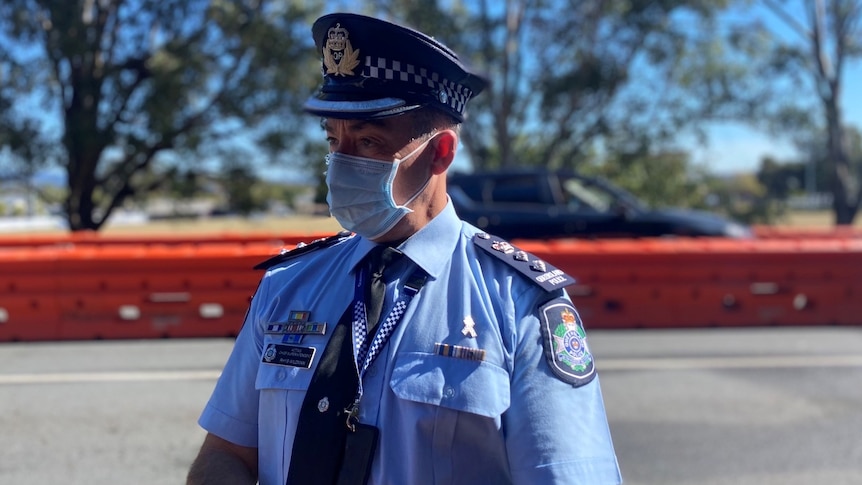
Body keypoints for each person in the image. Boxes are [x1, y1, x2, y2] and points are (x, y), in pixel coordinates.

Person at [187, 12, 621, 485]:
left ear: (440, 153)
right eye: (334, 140)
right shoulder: (287, 287)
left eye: (369, 141)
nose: (341, 164)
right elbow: (227, 453)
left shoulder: (518, 304)